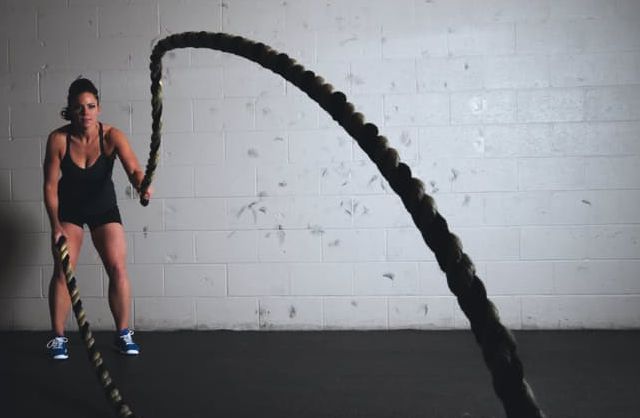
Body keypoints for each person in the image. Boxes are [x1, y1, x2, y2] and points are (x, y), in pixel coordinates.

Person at [43, 78, 152, 360]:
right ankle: (58, 338)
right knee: (63, 270)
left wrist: (142, 184)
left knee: (118, 267)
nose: (86, 113)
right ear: (71, 110)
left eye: (91, 106)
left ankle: (123, 333)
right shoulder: (58, 139)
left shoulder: (112, 136)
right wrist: (55, 225)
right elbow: (50, 186)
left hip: (104, 209)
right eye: (79, 108)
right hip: (70, 211)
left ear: (99, 108)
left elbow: (134, 169)